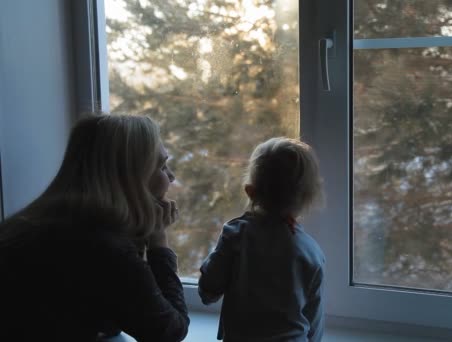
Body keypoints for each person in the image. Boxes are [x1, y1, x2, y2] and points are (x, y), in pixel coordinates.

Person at [0, 114, 189, 341]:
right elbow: (169, 331)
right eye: (161, 165)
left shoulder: (35, 224)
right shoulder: (106, 251)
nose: (171, 177)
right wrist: (159, 245)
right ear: (129, 179)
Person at [198, 137, 325, 342]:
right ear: (308, 197)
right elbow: (314, 319)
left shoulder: (236, 235)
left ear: (250, 191)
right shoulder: (311, 251)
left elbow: (207, 291)